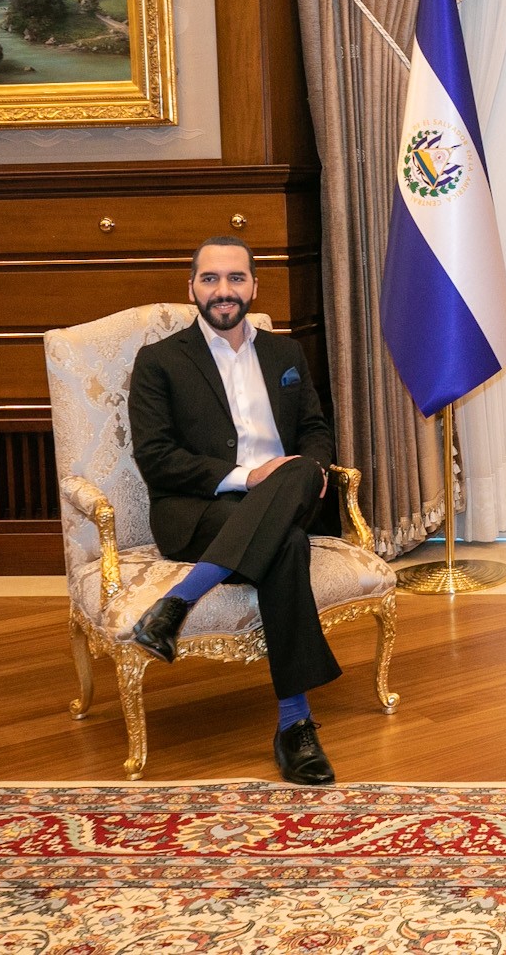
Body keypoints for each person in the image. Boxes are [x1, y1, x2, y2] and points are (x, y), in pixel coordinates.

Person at [126, 235, 344, 785]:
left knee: (300, 470)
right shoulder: (159, 361)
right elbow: (156, 458)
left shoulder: (285, 353)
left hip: (287, 492)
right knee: (285, 543)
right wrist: (249, 477)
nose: (223, 290)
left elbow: (315, 430)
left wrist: (309, 467)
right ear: (192, 289)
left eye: (235, 278)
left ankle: (176, 603)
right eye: (211, 278)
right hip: (201, 510)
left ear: (253, 286)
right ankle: (295, 724)